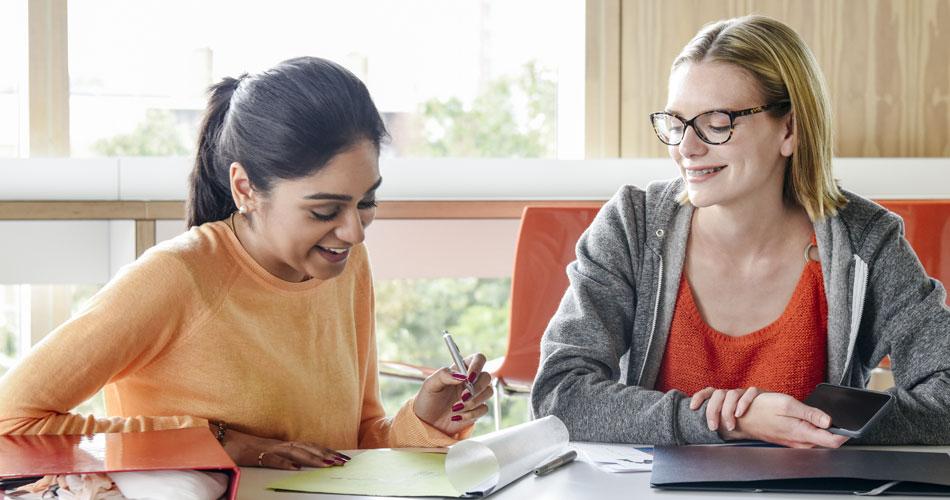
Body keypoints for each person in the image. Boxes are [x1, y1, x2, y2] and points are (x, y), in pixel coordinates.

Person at [0, 57, 493, 469]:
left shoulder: (345, 266)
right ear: (245, 189)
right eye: (324, 211)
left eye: (367, 202)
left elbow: (354, 446)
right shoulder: (177, 277)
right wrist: (217, 442)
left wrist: (427, 420)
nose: (354, 231)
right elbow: (11, 421)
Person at [531, 15, 950, 448]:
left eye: (717, 123)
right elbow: (559, 394)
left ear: (789, 129)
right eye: (676, 124)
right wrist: (727, 421)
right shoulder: (632, 226)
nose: (686, 148)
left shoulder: (865, 243)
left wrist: (815, 422)